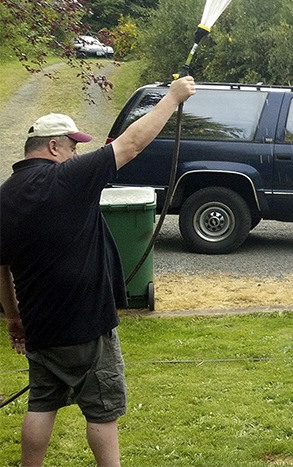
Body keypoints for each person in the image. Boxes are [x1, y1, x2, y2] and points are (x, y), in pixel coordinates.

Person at [0, 76, 195, 467]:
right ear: (54, 146)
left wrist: (15, 317)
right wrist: (172, 98)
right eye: (72, 146)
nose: (75, 154)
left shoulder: (5, 195)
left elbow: (1, 266)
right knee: (102, 412)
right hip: (86, 324)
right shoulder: (65, 178)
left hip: (40, 327)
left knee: (41, 403)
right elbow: (132, 143)